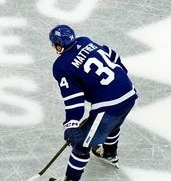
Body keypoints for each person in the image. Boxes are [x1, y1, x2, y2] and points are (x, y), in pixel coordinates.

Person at [47, 25, 137, 181]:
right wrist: (120, 77)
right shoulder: (85, 41)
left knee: (81, 144)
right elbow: (112, 54)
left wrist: (71, 124)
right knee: (113, 124)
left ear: (59, 45)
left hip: (109, 104)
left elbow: (73, 99)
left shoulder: (61, 66)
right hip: (129, 92)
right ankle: (109, 153)